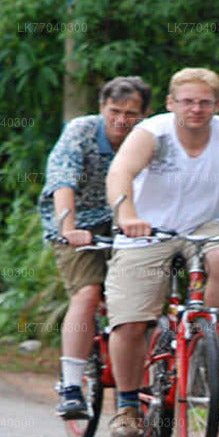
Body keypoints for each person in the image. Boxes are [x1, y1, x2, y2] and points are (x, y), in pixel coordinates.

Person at [102, 67, 219, 437]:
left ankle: (217, 341)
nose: (196, 109)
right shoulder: (152, 132)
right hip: (148, 228)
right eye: (187, 101)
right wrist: (127, 216)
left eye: (205, 102)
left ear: (217, 105)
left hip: (206, 225)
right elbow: (120, 172)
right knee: (130, 322)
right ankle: (127, 405)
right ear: (171, 103)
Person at [40, 76, 151, 419]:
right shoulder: (81, 131)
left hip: (131, 222)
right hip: (79, 220)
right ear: (102, 108)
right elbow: (63, 181)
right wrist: (69, 228)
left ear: (144, 114)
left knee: (145, 299)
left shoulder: (151, 135)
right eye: (114, 111)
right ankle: (72, 386)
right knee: (87, 294)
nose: (121, 120)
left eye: (130, 113)